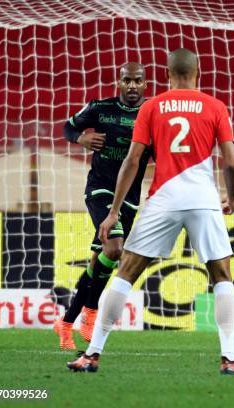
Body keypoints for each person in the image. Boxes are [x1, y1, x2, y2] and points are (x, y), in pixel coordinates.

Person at [67, 48, 234, 375]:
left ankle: (92, 354)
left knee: (125, 272)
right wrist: (232, 197)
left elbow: (133, 160)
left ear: (167, 74)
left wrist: (113, 212)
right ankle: (229, 358)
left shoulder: (152, 107)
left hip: (163, 198)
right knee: (222, 276)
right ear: (198, 73)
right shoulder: (215, 106)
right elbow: (231, 163)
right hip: (202, 198)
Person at [54, 62, 149, 350]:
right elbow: (68, 127)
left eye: (138, 81)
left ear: (145, 85)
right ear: (119, 83)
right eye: (127, 81)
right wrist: (80, 138)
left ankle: (67, 321)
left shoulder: (150, 114)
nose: (132, 86)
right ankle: (92, 313)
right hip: (100, 190)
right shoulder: (99, 108)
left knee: (100, 261)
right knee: (115, 248)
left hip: (130, 197)